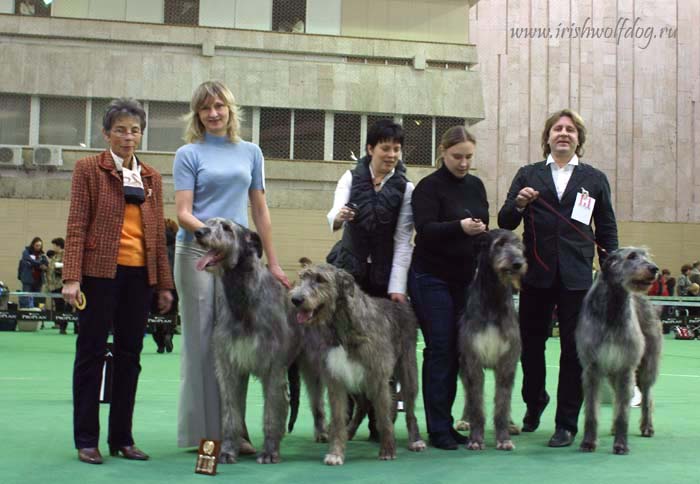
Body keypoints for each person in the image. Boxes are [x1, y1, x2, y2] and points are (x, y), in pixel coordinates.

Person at [173, 80, 290, 450]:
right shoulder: (188, 154)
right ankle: (207, 435)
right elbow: (183, 213)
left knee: (238, 345)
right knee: (205, 345)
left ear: (230, 110)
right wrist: (214, 237)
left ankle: (235, 433)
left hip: (239, 260)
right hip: (199, 254)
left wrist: (273, 263)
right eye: (205, 108)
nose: (213, 113)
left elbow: (260, 209)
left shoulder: (251, 152)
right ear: (197, 115)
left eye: (219, 106)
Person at [62, 98, 174, 464]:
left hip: (139, 277)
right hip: (98, 275)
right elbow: (77, 225)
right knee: (91, 354)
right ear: (107, 133)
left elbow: (157, 234)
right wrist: (71, 277)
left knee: (131, 355)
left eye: (135, 130)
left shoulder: (152, 177)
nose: (129, 137)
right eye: (121, 130)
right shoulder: (88, 169)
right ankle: (86, 439)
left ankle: (122, 438)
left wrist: (164, 285)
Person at [498, 109, 618, 447]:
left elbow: (606, 228)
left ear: (579, 138)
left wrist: (611, 269)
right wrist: (519, 203)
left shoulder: (594, 179)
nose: (563, 133)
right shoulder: (528, 174)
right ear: (547, 137)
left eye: (570, 129)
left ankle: (566, 423)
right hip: (535, 274)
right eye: (557, 129)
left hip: (577, 277)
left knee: (574, 350)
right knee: (530, 347)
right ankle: (535, 400)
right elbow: (506, 220)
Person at [326, 119, 414, 440]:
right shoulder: (351, 177)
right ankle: (345, 415)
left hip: (383, 282)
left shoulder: (406, 188)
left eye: (396, 148)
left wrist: (396, 288)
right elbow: (334, 214)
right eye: (385, 148)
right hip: (349, 276)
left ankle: (382, 419)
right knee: (344, 345)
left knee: (382, 350)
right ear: (370, 149)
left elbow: (404, 239)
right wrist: (339, 217)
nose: (391, 154)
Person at [407, 125, 487, 450]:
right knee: (440, 348)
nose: (464, 163)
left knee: (457, 350)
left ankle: (448, 424)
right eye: (457, 156)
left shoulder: (477, 186)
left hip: (464, 280)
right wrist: (460, 227)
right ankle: (437, 427)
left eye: (469, 157)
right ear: (443, 151)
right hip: (430, 276)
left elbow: (483, 227)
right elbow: (424, 230)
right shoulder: (428, 187)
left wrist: (481, 233)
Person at [152, 218, 179, 353]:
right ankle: (169, 333)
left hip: (156, 284)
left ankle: (160, 343)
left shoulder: (155, 247)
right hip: (174, 284)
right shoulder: (178, 246)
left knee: (155, 313)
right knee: (172, 312)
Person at [17, 237, 48, 308]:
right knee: (26, 297)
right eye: (37, 245)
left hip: (38, 280)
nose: (38, 247)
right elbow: (29, 260)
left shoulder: (42, 255)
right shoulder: (26, 252)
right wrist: (39, 264)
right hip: (28, 279)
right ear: (33, 244)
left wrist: (43, 266)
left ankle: (37, 313)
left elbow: (46, 264)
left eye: (40, 245)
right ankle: (26, 313)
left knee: (37, 297)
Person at [46, 237, 68, 334]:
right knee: (58, 306)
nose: (53, 247)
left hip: (60, 285)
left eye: (54, 245)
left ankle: (63, 326)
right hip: (53, 285)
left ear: (58, 245)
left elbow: (66, 266)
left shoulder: (64, 254)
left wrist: (59, 267)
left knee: (62, 307)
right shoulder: (55, 256)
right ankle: (59, 324)